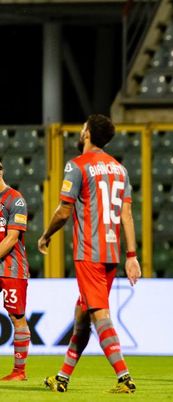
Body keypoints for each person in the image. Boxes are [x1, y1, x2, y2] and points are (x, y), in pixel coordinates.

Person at [39, 114, 141, 393]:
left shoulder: (77, 165)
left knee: (99, 315)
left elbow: (63, 210)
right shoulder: (120, 169)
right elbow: (127, 214)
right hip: (112, 253)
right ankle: (62, 378)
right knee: (82, 315)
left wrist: (46, 235)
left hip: (89, 252)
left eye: (83, 126)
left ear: (86, 134)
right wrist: (131, 255)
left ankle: (124, 378)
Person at [0, 162, 31, 381]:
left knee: (16, 316)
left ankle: (19, 371)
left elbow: (11, 238)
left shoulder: (15, 199)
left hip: (12, 267)